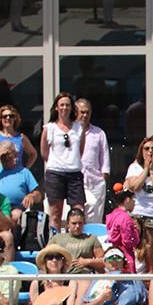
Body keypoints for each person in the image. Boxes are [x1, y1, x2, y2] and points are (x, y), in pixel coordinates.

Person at [41, 92, 87, 233]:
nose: (64, 108)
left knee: (78, 210)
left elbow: (81, 150)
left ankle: (76, 240)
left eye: (67, 105)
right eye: (62, 105)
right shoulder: (49, 128)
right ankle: (55, 243)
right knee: (55, 213)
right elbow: (44, 153)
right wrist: (58, 162)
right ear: (56, 107)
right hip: (55, 173)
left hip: (74, 173)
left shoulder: (79, 127)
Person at [123, 137, 153, 273]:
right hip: (137, 212)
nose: (150, 152)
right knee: (135, 249)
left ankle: (150, 277)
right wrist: (145, 170)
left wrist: (152, 172)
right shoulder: (134, 167)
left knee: (149, 250)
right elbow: (135, 186)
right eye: (147, 149)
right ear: (141, 151)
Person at [76, 99, 111, 223]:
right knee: (77, 216)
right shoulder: (71, 132)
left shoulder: (99, 133)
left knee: (95, 218)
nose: (85, 115)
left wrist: (103, 178)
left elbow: (105, 158)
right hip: (76, 181)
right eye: (82, 112)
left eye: (87, 112)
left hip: (96, 182)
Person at [0, 142, 42, 220]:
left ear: (15, 155)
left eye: (9, 154)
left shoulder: (24, 172)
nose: (6, 158)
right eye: (3, 155)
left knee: (16, 215)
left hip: (17, 207)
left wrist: (32, 196)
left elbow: (38, 195)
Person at [48, 207, 105, 274]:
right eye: (74, 223)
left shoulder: (92, 239)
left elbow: (103, 261)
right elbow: (45, 258)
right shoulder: (57, 239)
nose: (77, 226)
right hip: (63, 275)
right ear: (67, 224)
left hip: (84, 275)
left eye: (80, 223)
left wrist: (87, 262)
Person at [105, 187, 140, 273]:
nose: (134, 203)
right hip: (124, 253)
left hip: (113, 250)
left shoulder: (112, 215)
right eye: (133, 200)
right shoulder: (125, 218)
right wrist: (136, 233)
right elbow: (128, 241)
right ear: (128, 200)